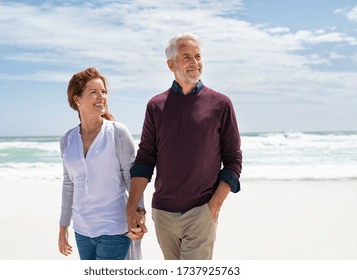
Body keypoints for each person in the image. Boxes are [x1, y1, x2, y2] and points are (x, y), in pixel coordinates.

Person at [126, 33, 242, 260]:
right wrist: (132, 206)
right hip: (162, 213)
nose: (195, 62)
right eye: (187, 57)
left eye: (198, 56)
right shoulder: (156, 106)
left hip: (200, 212)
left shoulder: (221, 104)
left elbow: (233, 160)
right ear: (171, 64)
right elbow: (146, 158)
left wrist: (213, 207)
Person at [58, 67, 145, 260]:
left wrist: (139, 213)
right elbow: (69, 184)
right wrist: (63, 226)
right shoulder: (67, 140)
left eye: (104, 92)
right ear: (77, 99)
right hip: (82, 230)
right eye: (94, 92)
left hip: (114, 228)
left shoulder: (117, 133)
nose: (102, 97)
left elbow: (132, 179)